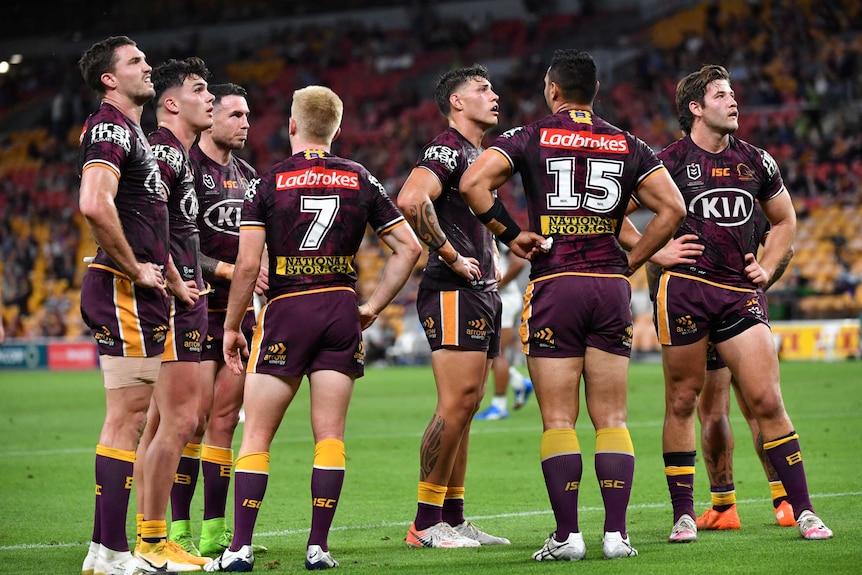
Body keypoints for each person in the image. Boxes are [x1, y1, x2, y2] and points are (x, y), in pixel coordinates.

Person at [460, 49, 686, 561]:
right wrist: (632, 262)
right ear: (595, 92)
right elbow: (673, 208)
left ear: (553, 90)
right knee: (613, 418)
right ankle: (616, 535)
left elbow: (473, 183)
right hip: (609, 286)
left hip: (555, 283)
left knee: (559, 420)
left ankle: (567, 537)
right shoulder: (627, 142)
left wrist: (510, 233)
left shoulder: (529, 136)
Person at [204, 85, 421, 571]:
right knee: (330, 436)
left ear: (292, 127)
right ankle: (318, 547)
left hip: (287, 307)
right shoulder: (360, 177)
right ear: (337, 130)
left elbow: (245, 266)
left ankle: (238, 548)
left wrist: (233, 325)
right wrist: (372, 307)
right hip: (341, 308)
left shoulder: (268, 181)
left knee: (256, 436)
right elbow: (409, 249)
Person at [654, 64, 832, 542]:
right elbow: (615, 208)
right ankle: (685, 514)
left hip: (739, 294)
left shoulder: (757, 160)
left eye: (733, 94)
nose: (733, 102)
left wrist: (768, 267)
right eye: (720, 95)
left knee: (767, 400)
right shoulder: (667, 162)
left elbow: (787, 220)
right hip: (685, 292)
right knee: (683, 400)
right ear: (695, 107)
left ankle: (804, 510)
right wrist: (655, 249)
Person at [396, 64, 512, 549]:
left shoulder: (477, 155)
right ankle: (424, 522)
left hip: (480, 290)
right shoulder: (446, 148)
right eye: (482, 89)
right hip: (451, 289)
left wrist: (491, 257)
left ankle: (453, 515)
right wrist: (449, 254)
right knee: (456, 403)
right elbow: (410, 198)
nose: (494, 95)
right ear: (457, 103)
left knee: (468, 406)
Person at [76, 35, 176, 575]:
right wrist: (137, 268)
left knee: (129, 420)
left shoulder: (130, 132)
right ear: (109, 79)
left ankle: (101, 550)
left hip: (135, 289)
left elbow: (147, 221)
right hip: (123, 288)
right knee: (127, 422)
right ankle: (114, 550)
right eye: (135, 61)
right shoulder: (112, 125)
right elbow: (94, 201)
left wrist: (174, 281)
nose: (147, 66)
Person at [167, 83, 267, 559]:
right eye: (235, 115)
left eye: (248, 115)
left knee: (226, 421)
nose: (245, 122)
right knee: (192, 421)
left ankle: (213, 533)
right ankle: (178, 531)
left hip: (239, 311)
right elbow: (176, 241)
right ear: (213, 118)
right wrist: (228, 269)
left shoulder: (250, 176)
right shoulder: (186, 169)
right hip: (195, 306)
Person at [131, 56, 214, 571]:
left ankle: (147, 536)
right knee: (181, 420)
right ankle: (153, 540)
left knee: (162, 422)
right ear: (171, 102)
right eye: (200, 89)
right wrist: (180, 281)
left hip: (178, 296)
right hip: (174, 301)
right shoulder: (163, 150)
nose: (209, 98)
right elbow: (147, 218)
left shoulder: (176, 153)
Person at [693, 206, 797, 530]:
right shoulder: (751, 194)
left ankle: (724, 508)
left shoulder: (684, 187)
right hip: (746, 307)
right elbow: (787, 249)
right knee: (761, 408)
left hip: (703, 306)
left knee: (712, 411)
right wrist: (759, 283)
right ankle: (786, 502)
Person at [475, 240, 533, 420]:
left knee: (496, 352)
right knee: (487, 352)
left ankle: (499, 406)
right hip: (491, 297)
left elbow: (519, 263)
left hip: (503, 299)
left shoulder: (496, 228)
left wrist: (496, 286)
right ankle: (518, 382)